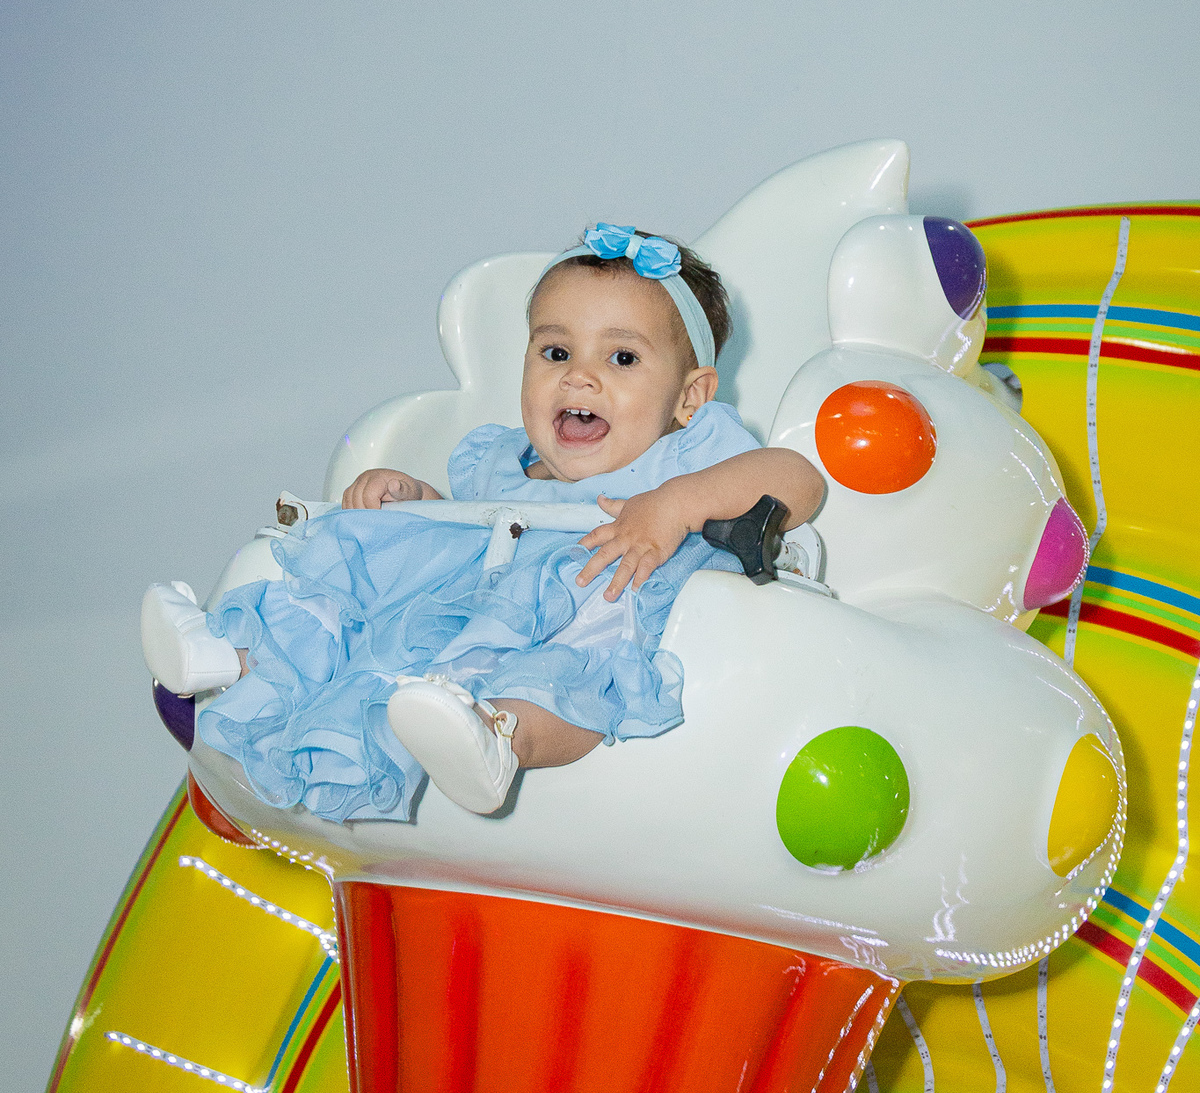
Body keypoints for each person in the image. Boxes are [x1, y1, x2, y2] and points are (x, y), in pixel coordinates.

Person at [142, 225, 823, 819]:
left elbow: (800, 480)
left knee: (569, 673)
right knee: (360, 556)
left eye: (622, 358)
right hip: (458, 620)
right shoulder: (500, 461)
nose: (579, 378)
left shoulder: (689, 455)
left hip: (588, 614)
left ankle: (496, 742)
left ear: (689, 397)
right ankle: (230, 656)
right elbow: (464, 534)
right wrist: (415, 500)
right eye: (556, 353)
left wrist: (675, 503)